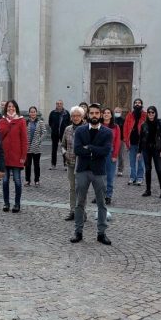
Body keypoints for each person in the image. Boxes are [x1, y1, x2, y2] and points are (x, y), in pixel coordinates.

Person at [70, 103, 112, 246]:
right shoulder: (80, 131)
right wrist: (95, 150)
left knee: (101, 203)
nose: (94, 115)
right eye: (92, 113)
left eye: (96, 113)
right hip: (82, 170)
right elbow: (77, 150)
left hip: (99, 172)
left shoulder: (107, 132)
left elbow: (106, 151)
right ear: (88, 115)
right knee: (79, 202)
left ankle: (101, 233)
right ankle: (78, 232)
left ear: (100, 115)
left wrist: (89, 148)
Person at [0, 100, 28, 213]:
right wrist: (8, 124)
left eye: (13, 106)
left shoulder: (21, 121)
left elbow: (24, 140)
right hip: (4, 156)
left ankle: (17, 204)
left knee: (17, 181)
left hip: (16, 156)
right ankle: (6, 203)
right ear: (6, 108)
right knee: (5, 181)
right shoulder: (1, 121)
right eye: (9, 106)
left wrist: (23, 156)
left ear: (16, 108)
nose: (11, 108)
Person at [61, 105, 85, 221]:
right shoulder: (67, 129)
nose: (76, 118)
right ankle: (72, 211)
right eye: (74, 116)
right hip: (70, 163)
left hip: (82, 164)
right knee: (72, 188)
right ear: (71, 117)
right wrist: (65, 153)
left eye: (78, 115)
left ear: (82, 117)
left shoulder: (86, 129)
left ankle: (82, 212)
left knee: (81, 188)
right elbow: (62, 145)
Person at [139, 105, 161, 198]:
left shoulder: (160, 123)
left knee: (159, 170)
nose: (151, 114)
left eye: (152, 112)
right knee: (147, 170)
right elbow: (141, 138)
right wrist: (139, 151)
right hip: (146, 149)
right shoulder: (144, 124)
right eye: (149, 112)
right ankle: (148, 190)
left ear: (155, 113)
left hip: (157, 149)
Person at [98, 108, 120, 204]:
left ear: (111, 115)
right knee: (99, 176)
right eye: (105, 113)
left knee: (109, 176)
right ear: (102, 115)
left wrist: (115, 155)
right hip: (99, 153)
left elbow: (117, 142)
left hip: (110, 153)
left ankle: (108, 196)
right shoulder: (98, 126)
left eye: (108, 113)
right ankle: (99, 195)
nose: (106, 114)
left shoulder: (116, 127)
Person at [122, 98, 146, 186]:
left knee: (140, 161)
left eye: (139, 103)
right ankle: (132, 177)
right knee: (132, 162)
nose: (137, 104)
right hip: (131, 142)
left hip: (141, 143)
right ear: (133, 105)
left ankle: (140, 177)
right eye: (135, 103)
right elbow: (125, 128)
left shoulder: (145, 115)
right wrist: (125, 139)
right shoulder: (129, 115)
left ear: (141, 104)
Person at [25, 106, 46, 186]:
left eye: (34, 112)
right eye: (31, 112)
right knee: (27, 165)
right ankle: (27, 180)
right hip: (28, 147)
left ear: (36, 113)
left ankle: (37, 180)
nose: (33, 113)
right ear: (29, 113)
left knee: (36, 165)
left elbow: (44, 132)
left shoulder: (40, 122)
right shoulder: (26, 122)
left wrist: (39, 141)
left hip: (37, 148)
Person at [48, 100, 70, 170]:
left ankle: (65, 164)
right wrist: (54, 128)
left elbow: (69, 122)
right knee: (54, 149)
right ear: (56, 104)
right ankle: (53, 164)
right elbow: (50, 122)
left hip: (64, 134)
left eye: (60, 104)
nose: (59, 105)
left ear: (62, 104)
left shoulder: (66, 113)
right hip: (55, 134)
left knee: (64, 149)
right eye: (57, 104)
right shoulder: (52, 113)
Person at [113, 107, 126, 177]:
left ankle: (120, 170)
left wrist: (124, 138)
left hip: (120, 140)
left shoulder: (123, 120)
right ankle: (111, 169)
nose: (117, 113)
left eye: (118, 112)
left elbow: (125, 130)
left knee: (120, 155)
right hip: (112, 140)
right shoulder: (112, 120)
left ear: (121, 113)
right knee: (111, 154)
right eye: (116, 111)